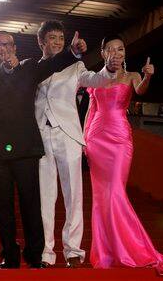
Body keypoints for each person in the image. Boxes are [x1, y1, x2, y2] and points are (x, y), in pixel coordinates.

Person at [84, 35, 163, 276]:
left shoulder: (133, 76)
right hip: (96, 139)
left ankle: (135, 250)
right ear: (104, 52)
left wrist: (148, 75)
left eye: (121, 49)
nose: (117, 52)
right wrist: (84, 141)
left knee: (115, 193)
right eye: (112, 49)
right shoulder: (93, 80)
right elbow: (91, 111)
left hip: (119, 140)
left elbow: (141, 90)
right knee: (100, 199)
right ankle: (107, 254)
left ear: (124, 53)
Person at [0, 30, 86, 269]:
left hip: (26, 149)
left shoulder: (29, 68)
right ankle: (9, 257)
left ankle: (34, 256)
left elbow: (54, 63)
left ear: (15, 47)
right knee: (2, 207)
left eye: (7, 44)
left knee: (31, 204)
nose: (2, 48)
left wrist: (74, 52)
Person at [33, 21, 119, 268]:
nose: (58, 42)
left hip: (68, 135)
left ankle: (73, 251)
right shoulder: (33, 68)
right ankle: (46, 253)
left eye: (61, 37)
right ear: (41, 42)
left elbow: (96, 80)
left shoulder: (75, 66)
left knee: (73, 196)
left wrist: (109, 70)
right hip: (40, 136)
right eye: (52, 38)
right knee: (44, 197)